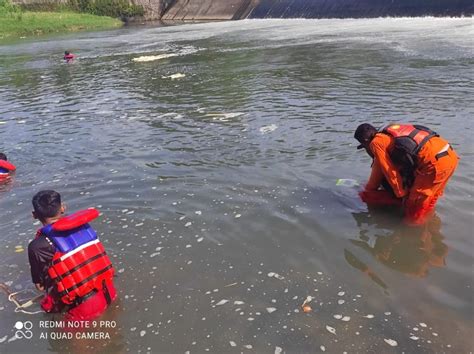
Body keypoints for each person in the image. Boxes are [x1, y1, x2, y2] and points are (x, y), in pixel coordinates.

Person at [28, 190, 117, 321]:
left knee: (62, 340)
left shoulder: (37, 246)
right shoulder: (84, 227)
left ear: (34, 215)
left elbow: (40, 286)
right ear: (63, 207)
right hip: (109, 291)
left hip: (83, 307)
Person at [354, 123, 458, 225]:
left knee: (413, 209)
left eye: (364, 147)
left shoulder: (375, 143)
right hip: (450, 155)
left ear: (366, 141)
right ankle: (431, 228)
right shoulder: (390, 135)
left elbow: (389, 171)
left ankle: (413, 234)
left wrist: (402, 194)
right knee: (429, 202)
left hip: (434, 163)